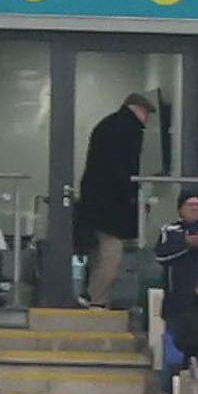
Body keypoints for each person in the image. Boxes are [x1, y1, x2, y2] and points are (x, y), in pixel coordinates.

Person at [77, 90, 154, 308]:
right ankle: (97, 300)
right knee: (111, 255)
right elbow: (124, 170)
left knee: (99, 253)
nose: (147, 119)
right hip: (111, 209)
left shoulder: (107, 125)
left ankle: (90, 294)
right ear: (137, 110)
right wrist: (133, 197)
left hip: (96, 204)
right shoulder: (128, 130)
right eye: (146, 113)